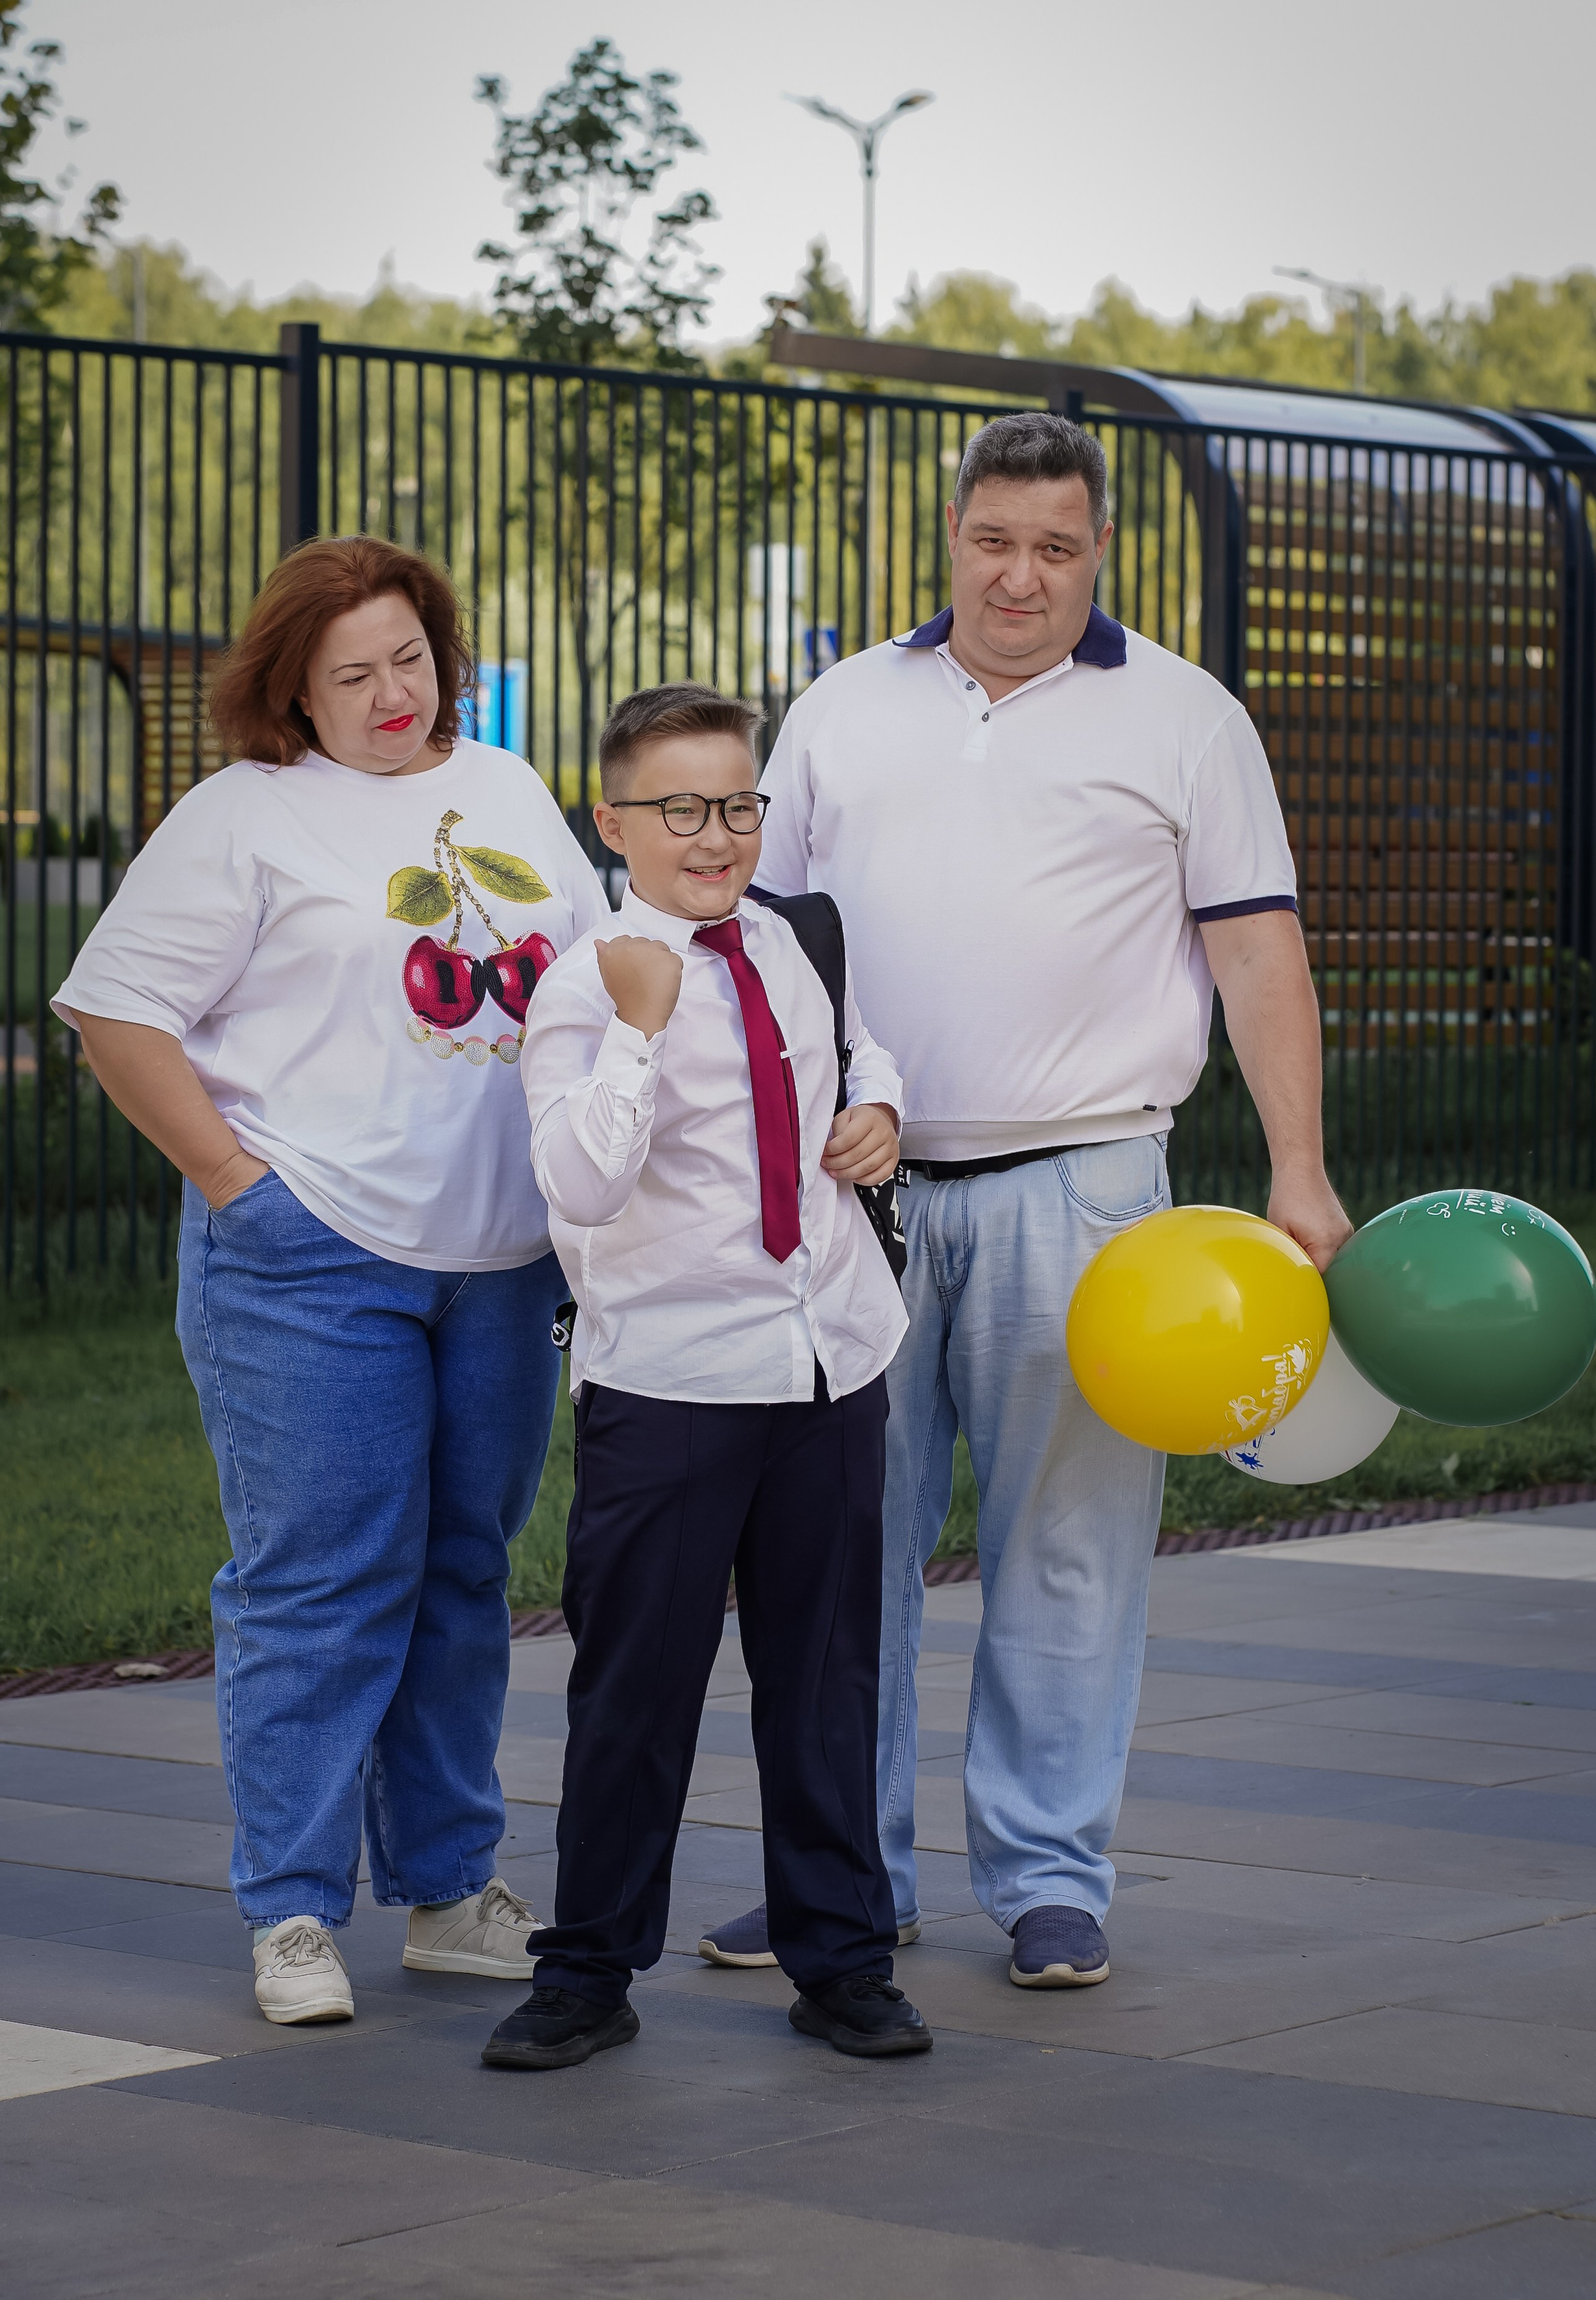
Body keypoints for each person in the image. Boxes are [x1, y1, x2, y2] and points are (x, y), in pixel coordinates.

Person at [700, 412, 1352, 1989]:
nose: (1020, 576)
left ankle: (1051, 1876)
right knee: (838, 1545)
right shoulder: (843, 709)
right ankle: (841, 1880)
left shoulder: (1186, 719)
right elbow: (755, 935)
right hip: (863, 1191)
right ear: (951, 538)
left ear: (1099, 551)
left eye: (1054, 547)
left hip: (1090, 1188)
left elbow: (1254, 950)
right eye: (994, 542)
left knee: (1065, 1549)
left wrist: (1296, 1168)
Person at [53, 535, 609, 2024]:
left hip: (499, 1265)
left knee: (463, 1578)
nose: (388, 694)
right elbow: (116, 1015)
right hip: (313, 1262)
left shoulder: (503, 792)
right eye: (349, 673)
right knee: (318, 1584)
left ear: (444, 652)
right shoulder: (243, 817)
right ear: (292, 689)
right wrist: (245, 1192)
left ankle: (446, 1889)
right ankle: (291, 1915)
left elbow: (590, 978)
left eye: (408, 660)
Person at [481, 681, 932, 2071]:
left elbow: (854, 1049)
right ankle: (587, 1971)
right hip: (671, 1384)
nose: (715, 832)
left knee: (824, 1677)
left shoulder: (788, 940)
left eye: (735, 802)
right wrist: (636, 1027)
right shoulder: (585, 982)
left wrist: (877, 1112)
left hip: (825, 1366)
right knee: (636, 1688)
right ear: (612, 822)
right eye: (679, 809)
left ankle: (841, 1959)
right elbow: (578, 1183)